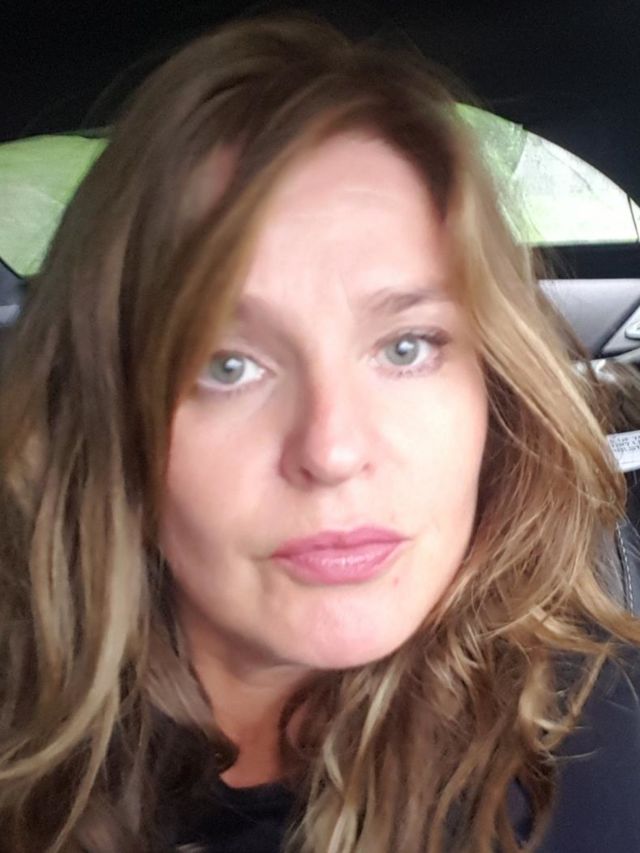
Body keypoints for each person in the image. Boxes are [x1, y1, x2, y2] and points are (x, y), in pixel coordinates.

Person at [1, 14, 640, 853]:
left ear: (495, 389)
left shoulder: (601, 747)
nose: (333, 452)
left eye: (407, 347)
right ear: (109, 409)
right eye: (226, 365)